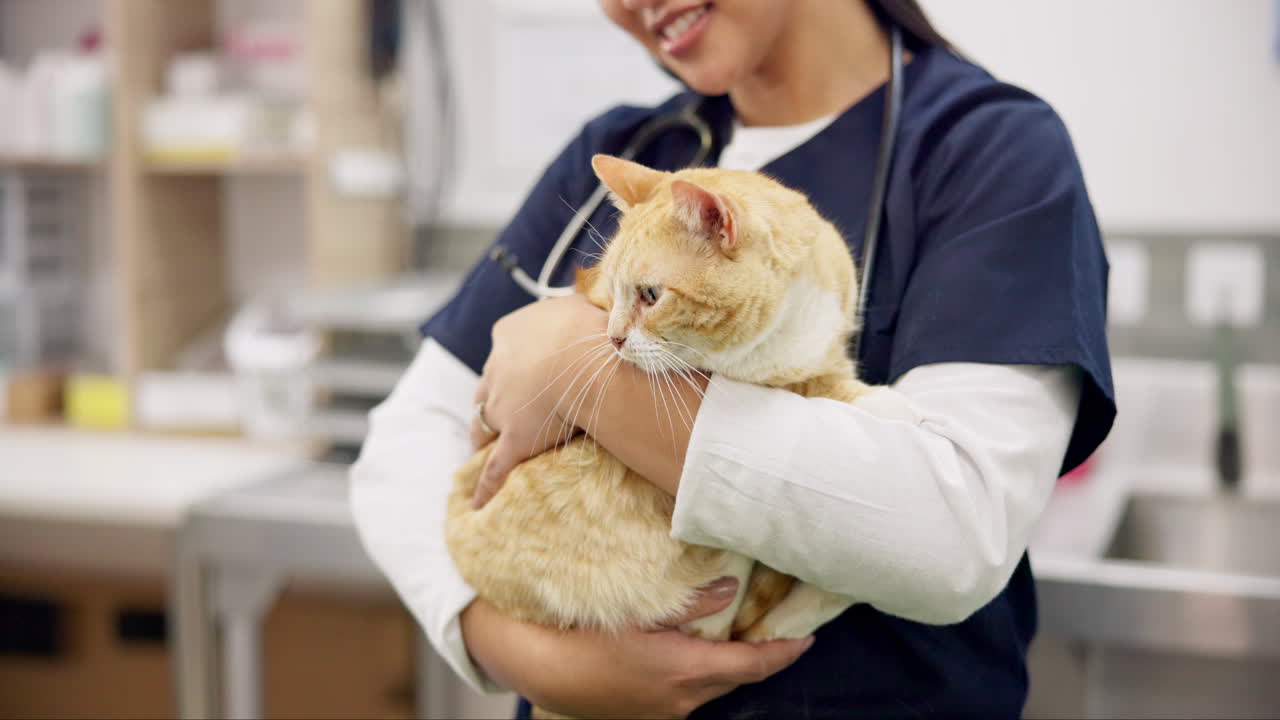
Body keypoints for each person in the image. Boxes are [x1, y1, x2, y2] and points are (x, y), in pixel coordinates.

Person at [350, 0, 1115, 717]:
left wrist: (575, 368)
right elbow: (405, 443)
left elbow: (953, 530)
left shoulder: (989, 153)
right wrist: (513, 649)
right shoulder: (633, 156)